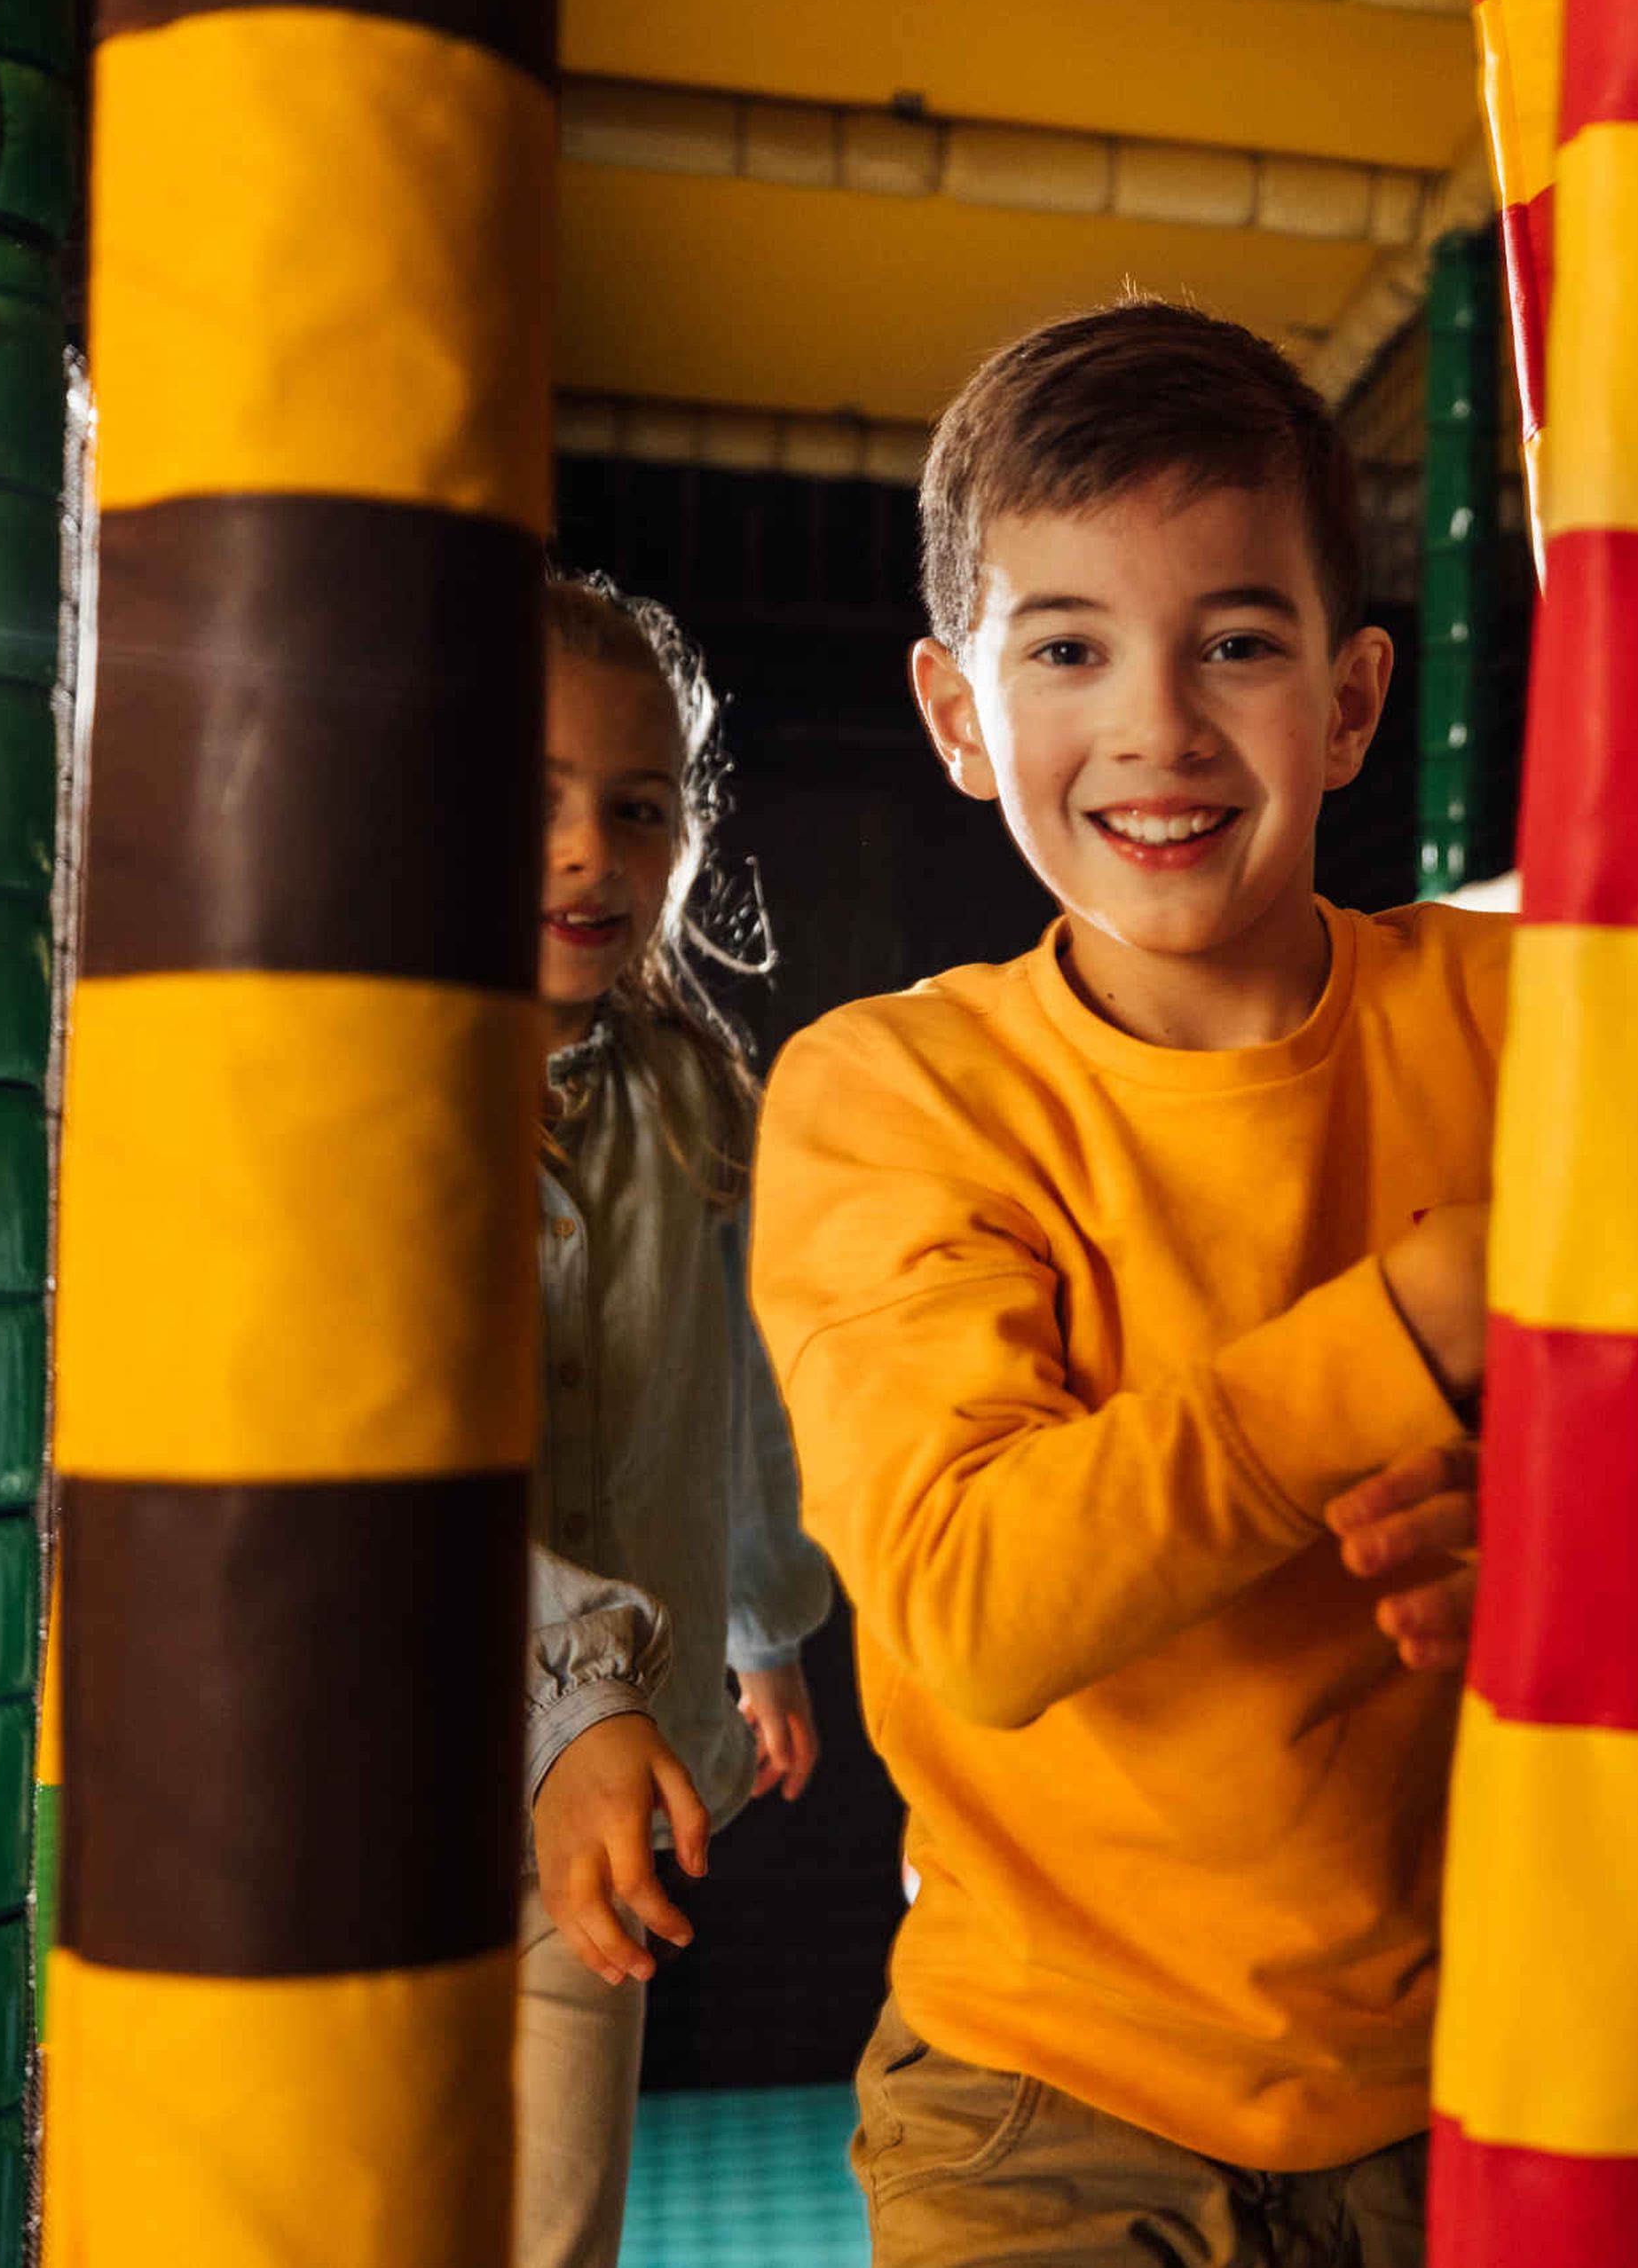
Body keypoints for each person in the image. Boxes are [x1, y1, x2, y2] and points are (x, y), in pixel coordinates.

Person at [749, 300, 1499, 2268]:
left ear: (1347, 702)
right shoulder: (899, 1093)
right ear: (958, 715)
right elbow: (981, 1605)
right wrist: (1424, 1329)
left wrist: (1575, 1548)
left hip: (1486, 2078)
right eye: (1067, 648)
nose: (1158, 727)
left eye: (1235, 643)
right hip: (1044, 2115)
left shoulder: (1524, 1025)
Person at [517, 569, 839, 2268]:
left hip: (611, 1799)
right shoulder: (361, 1083)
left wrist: (765, 1620)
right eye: (535, 801)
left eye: (636, 812)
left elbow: (747, 1383)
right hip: (392, 1773)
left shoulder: (701, 1093)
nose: (590, 854)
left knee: (552, 2225)